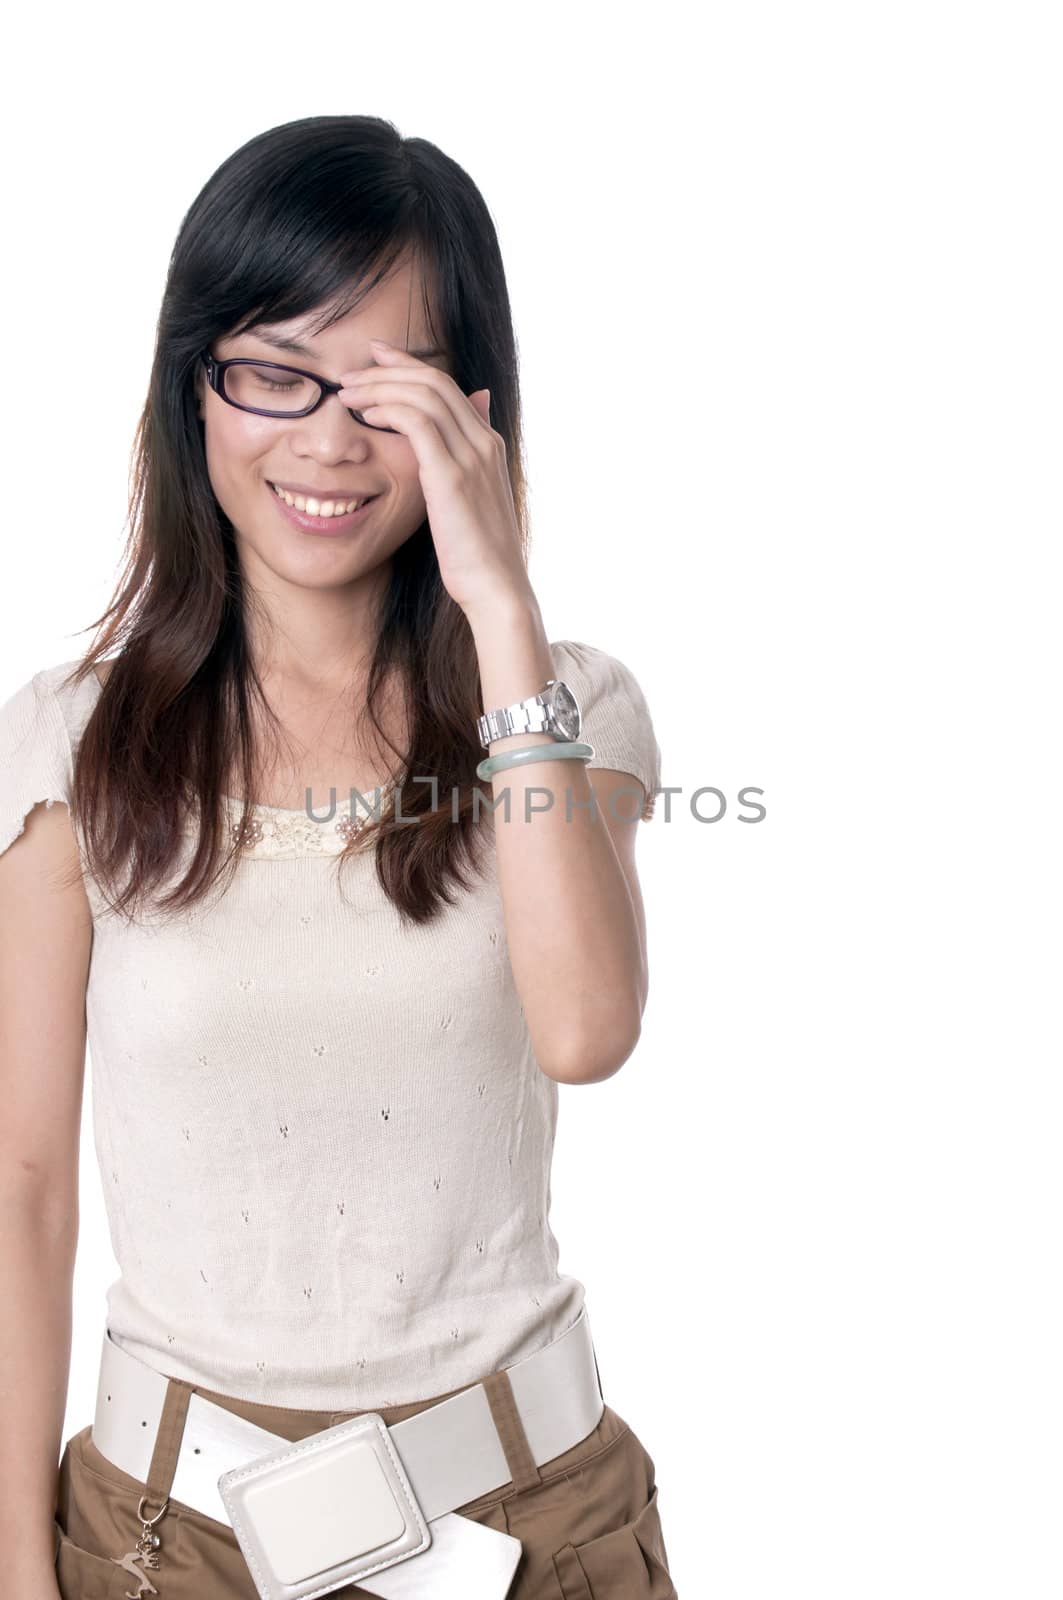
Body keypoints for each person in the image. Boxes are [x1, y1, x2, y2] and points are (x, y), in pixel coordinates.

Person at [0, 115, 676, 1600]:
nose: (325, 440)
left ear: (473, 413)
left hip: (526, 1522)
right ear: (196, 393)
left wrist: (501, 604)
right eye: (272, 374)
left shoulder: (568, 708)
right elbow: (25, 1181)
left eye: (388, 390)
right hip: (164, 1542)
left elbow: (585, 1031)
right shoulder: (67, 740)